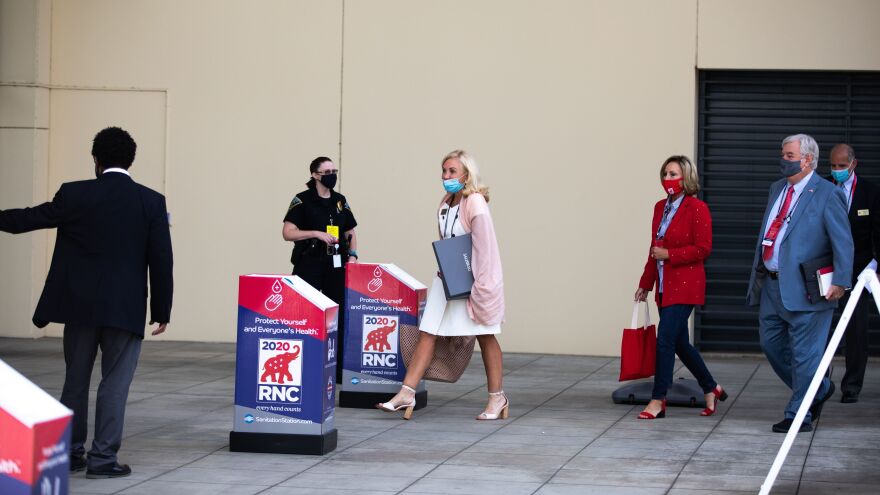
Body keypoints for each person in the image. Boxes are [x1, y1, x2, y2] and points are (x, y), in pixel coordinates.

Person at [0, 127, 173, 478]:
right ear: (131, 159)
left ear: (95, 159)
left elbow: (30, 218)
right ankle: (103, 459)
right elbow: (161, 259)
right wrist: (161, 311)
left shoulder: (75, 193)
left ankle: (70, 454)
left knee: (75, 381)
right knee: (114, 384)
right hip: (125, 310)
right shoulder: (150, 201)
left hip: (79, 308)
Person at [376, 150, 506, 420]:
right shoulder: (446, 202)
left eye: (451, 171)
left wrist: (481, 287)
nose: (445, 176)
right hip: (447, 278)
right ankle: (406, 392)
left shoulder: (476, 202)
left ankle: (497, 398)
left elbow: (485, 248)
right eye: (444, 171)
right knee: (428, 332)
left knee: (485, 336)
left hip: (474, 282)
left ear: (466, 175)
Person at [747, 133, 853, 433]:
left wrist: (842, 281)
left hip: (809, 288)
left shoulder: (827, 193)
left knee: (806, 354)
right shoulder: (777, 188)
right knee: (771, 344)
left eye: (790, 156)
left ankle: (799, 414)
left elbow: (843, 242)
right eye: (783, 154)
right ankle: (817, 388)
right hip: (772, 285)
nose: (784, 160)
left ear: (808, 160)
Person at [634, 155, 726, 420]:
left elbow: (703, 248)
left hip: (685, 285)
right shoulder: (659, 207)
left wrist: (670, 255)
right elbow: (654, 249)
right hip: (665, 286)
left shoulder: (697, 208)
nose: (668, 179)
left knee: (664, 340)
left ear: (686, 178)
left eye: (674, 174)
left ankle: (657, 399)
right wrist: (645, 283)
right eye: (665, 174)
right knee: (679, 343)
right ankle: (711, 387)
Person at [282, 156, 358, 383]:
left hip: (336, 264)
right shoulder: (302, 200)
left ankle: (336, 370)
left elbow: (351, 231)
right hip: (310, 263)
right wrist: (315, 233)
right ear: (315, 174)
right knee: (307, 313)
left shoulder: (339, 200)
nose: (332, 175)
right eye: (326, 171)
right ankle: (305, 365)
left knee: (337, 314)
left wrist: (353, 256)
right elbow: (288, 232)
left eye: (334, 170)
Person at [828, 144, 880, 404]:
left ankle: (852, 386)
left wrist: (875, 268)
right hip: (826, 270)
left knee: (857, 330)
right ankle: (820, 383)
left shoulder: (870, 193)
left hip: (859, 271)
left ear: (853, 164)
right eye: (833, 166)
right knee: (821, 328)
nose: (837, 171)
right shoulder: (824, 188)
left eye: (841, 166)